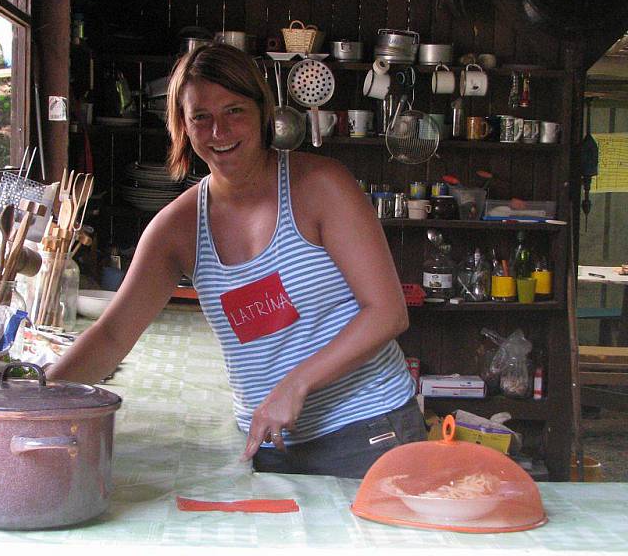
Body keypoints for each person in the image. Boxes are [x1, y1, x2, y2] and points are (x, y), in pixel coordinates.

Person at [47, 44, 425, 478]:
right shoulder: (179, 227)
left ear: (263, 111)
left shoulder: (321, 186)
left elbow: (388, 313)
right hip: (268, 444)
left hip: (370, 428)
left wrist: (296, 384)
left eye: (234, 111)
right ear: (181, 126)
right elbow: (112, 335)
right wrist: (39, 398)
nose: (219, 130)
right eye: (200, 117)